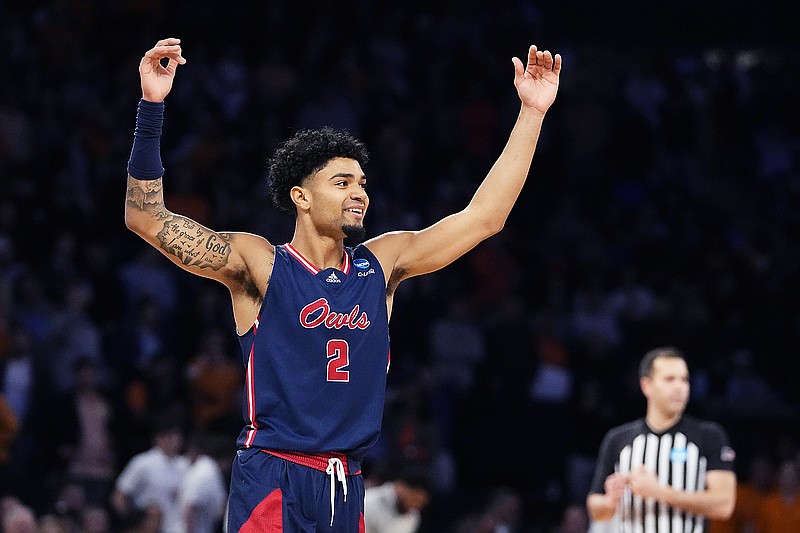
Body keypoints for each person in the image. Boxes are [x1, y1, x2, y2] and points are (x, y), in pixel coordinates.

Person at [124, 37, 561, 532]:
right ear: (301, 197)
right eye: (342, 183)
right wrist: (152, 108)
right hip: (273, 476)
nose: (360, 193)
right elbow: (145, 217)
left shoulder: (383, 263)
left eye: (362, 184)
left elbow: (485, 217)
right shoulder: (260, 263)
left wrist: (531, 114)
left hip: (346, 483)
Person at [586, 347, 736, 532]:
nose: (679, 387)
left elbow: (724, 505)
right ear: (646, 386)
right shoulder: (618, 439)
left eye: (684, 379)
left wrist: (659, 492)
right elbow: (595, 507)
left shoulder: (709, 435)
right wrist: (610, 500)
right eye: (669, 379)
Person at [110, 413, 189, 533]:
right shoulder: (142, 463)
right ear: (158, 438)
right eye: (168, 435)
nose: (173, 440)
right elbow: (118, 497)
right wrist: (134, 522)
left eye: (176, 435)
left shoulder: (185, 465)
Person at [363, 464, 431, 533]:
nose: (416, 506)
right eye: (415, 499)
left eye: (421, 503)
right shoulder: (368, 502)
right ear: (401, 486)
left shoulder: (413, 516)